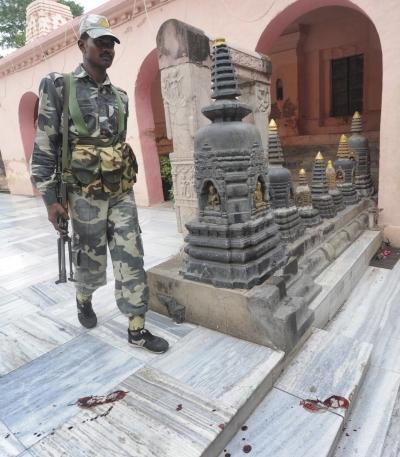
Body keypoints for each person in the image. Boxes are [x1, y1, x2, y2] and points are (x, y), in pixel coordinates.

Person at [30, 14, 169, 354]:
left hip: (120, 191)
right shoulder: (58, 85)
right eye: (99, 42)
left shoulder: (120, 96)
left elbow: (117, 145)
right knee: (89, 261)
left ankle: (136, 328)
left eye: (111, 43)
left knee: (131, 256)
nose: (107, 48)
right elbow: (45, 145)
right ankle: (83, 298)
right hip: (82, 194)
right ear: (82, 45)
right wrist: (51, 199)